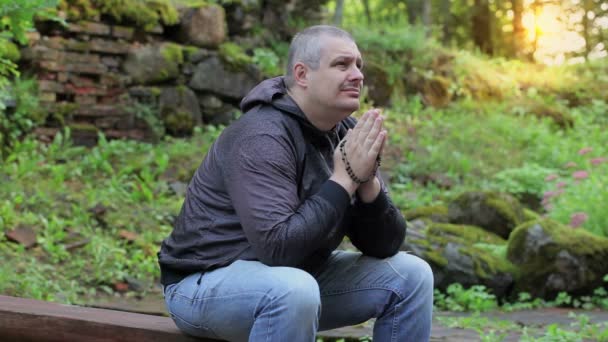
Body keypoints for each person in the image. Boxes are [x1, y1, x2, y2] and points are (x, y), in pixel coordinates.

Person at [157, 25, 434, 342]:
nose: (357, 74)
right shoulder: (262, 136)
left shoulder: (345, 131)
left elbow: (383, 246)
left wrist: (367, 181)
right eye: (342, 65)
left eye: (359, 65)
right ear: (302, 74)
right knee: (293, 290)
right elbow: (279, 250)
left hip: (297, 279)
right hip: (204, 283)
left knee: (412, 276)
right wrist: (344, 179)